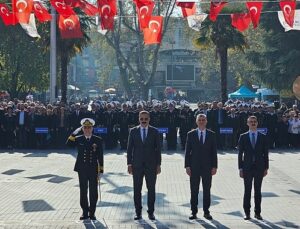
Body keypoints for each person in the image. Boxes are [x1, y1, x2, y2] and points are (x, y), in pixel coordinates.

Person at [66, 118, 104, 221]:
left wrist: (101, 170)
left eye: (89, 127)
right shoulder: (78, 138)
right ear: (82, 129)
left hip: (93, 169)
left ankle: (92, 212)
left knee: (93, 191)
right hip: (82, 168)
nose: (87, 129)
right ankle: (85, 212)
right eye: (85, 127)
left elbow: (100, 156)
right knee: (83, 191)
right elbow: (68, 144)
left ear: (92, 128)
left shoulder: (97, 139)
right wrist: (74, 132)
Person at [127, 110, 161, 221]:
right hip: (136, 165)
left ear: (149, 119)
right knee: (137, 190)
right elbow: (129, 149)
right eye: (141, 119)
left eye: (146, 119)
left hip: (151, 165)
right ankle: (138, 212)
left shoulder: (155, 131)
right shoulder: (133, 131)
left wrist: (158, 164)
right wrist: (129, 164)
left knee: (151, 190)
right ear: (139, 119)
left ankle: (151, 212)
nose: (144, 121)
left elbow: (158, 150)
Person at [184, 114, 218, 220]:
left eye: (203, 120)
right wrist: (187, 166)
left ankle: (206, 212)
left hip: (207, 167)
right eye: (200, 120)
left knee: (207, 190)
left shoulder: (212, 134)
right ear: (196, 121)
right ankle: (193, 212)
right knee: (194, 190)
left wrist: (214, 166)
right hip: (194, 167)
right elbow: (187, 151)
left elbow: (214, 152)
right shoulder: (191, 134)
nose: (202, 121)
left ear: (206, 121)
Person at [238, 116, 269, 220]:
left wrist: (266, 168)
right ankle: (247, 213)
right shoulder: (243, 136)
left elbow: (266, 154)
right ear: (247, 123)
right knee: (247, 191)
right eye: (251, 122)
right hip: (247, 168)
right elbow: (240, 154)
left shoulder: (263, 136)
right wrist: (240, 168)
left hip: (259, 167)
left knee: (258, 191)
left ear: (257, 123)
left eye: (255, 121)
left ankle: (258, 213)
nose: (253, 123)